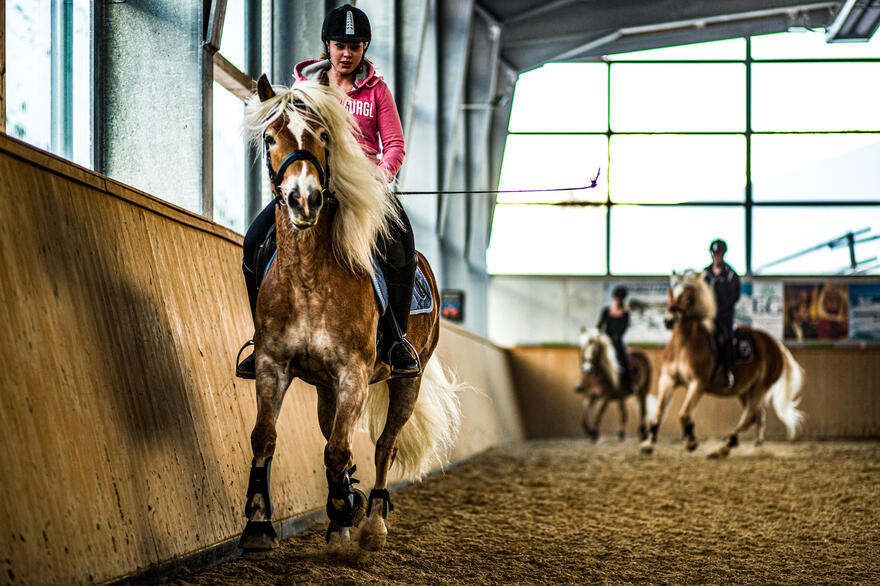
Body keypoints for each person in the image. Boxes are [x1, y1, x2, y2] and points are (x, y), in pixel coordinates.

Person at [236, 4, 420, 379]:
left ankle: (398, 340)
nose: (347, 54)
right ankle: (263, 339)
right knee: (255, 240)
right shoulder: (306, 87)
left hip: (364, 190)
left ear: (364, 48)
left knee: (402, 245)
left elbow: (395, 145)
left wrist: (380, 178)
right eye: (340, 45)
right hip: (316, 184)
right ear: (327, 45)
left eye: (354, 46)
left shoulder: (377, 91)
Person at [703, 239, 740, 388]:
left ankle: (728, 371)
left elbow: (734, 296)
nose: (716, 257)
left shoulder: (731, 274)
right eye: (714, 254)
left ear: (723, 255)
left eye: (719, 254)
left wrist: (721, 310)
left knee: (726, 338)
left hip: (724, 316)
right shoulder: (705, 273)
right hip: (708, 315)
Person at [597, 285, 637, 394]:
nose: (618, 301)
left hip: (616, 341)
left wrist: (614, 336)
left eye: (620, 299)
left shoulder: (625, 314)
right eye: (617, 298)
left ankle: (629, 385)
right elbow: (600, 325)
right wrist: (600, 335)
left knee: (624, 359)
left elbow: (622, 330)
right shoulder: (606, 311)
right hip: (605, 339)